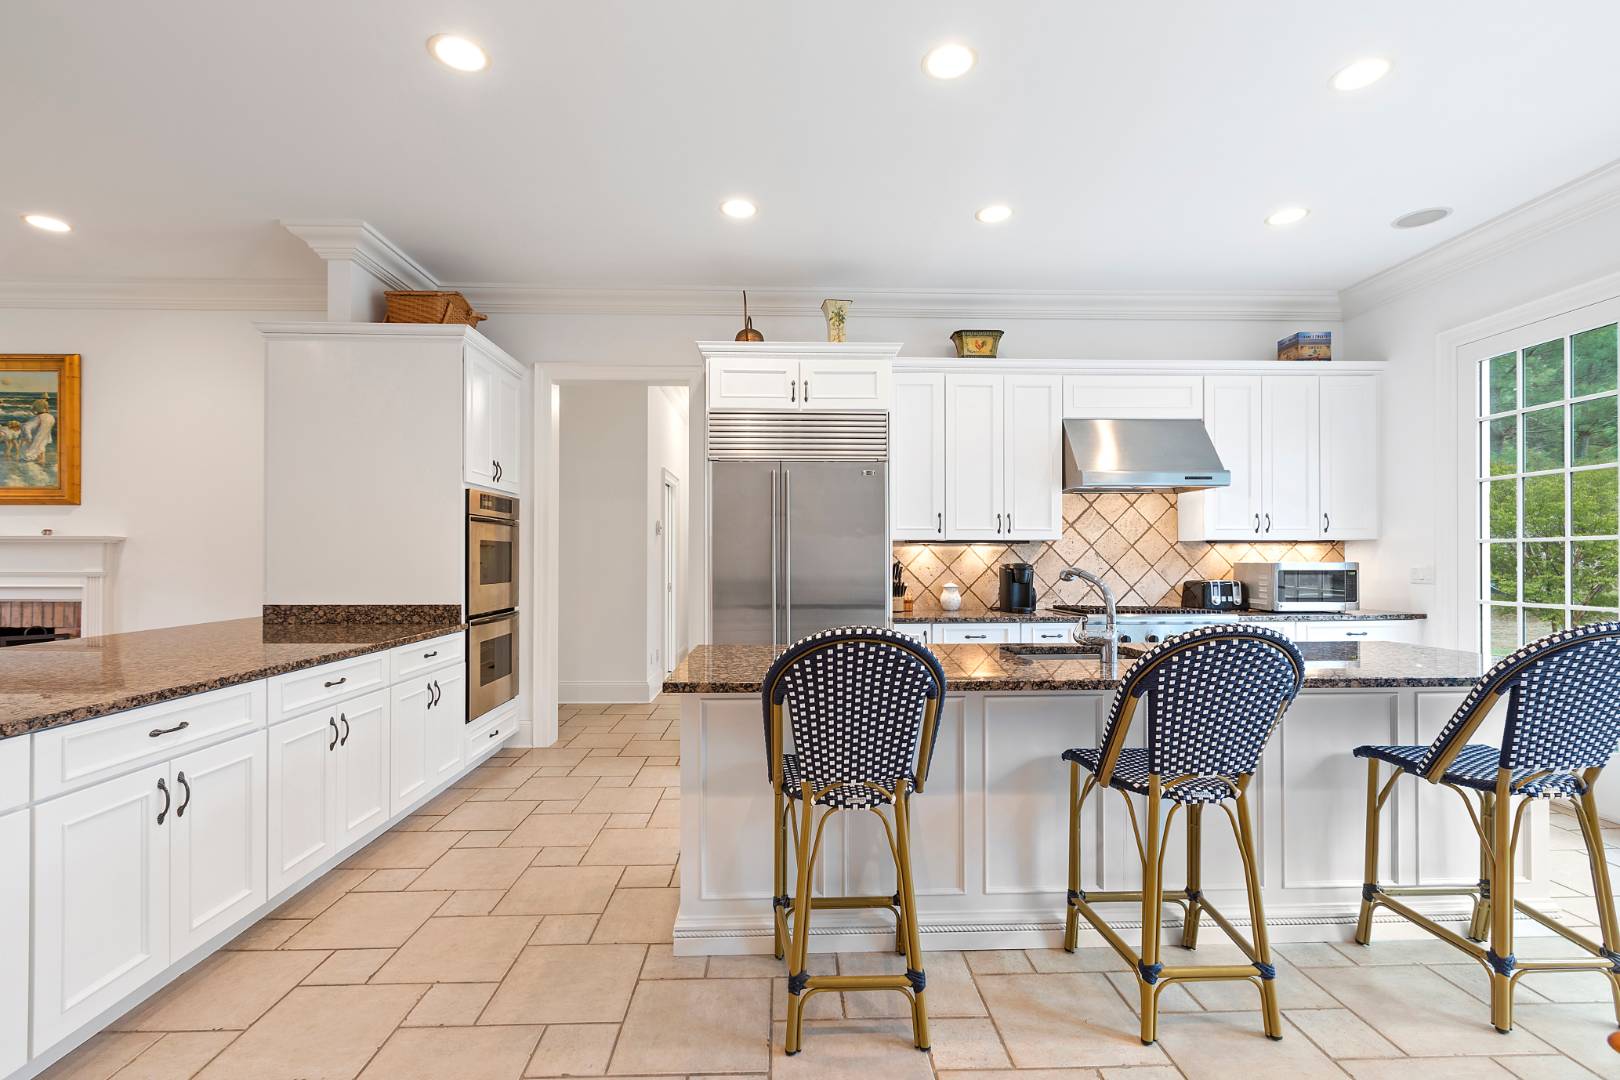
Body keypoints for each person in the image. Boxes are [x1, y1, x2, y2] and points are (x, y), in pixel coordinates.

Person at [20, 397, 54, 464]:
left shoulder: (38, 418)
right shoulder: (51, 417)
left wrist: (28, 437)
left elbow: (26, 426)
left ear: (36, 408)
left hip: (35, 439)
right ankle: (42, 464)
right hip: (44, 438)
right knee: (41, 449)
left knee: (28, 455)